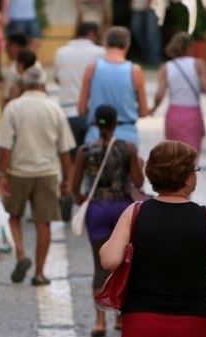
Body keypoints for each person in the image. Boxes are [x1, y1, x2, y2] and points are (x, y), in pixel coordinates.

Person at [100, 140, 206, 337]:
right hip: (193, 322)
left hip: (142, 320)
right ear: (187, 178)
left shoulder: (135, 212)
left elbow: (109, 260)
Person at [0, 66, 75, 286]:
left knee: (13, 216)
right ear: (44, 85)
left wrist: (2, 173)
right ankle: (39, 273)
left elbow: (5, 146)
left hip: (18, 171)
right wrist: (67, 180)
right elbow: (65, 150)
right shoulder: (54, 109)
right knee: (44, 223)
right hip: (47, 172)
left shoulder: (13, 107)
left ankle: (21, 255)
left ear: (23, 85)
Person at [71, 105, 143, 337]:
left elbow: (74, 187)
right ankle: (121, 317)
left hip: (98, 209)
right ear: (115, 123)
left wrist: (83, 199)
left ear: (95, 122)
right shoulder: (127, 148)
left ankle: (100, 321)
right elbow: (139, 182)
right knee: (125, 263)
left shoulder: (85, 150)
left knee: (100, 265)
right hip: (123, 208)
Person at [78, 26, 149, 148]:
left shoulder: (92, 68)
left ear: (105, 44)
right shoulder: (134, 71)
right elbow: (143, 111)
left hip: (97, 133)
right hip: (127, 135)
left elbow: (81, 109)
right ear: (127, 45)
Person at [152, 32, 206, 153]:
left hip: (173, 114)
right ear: (190, 46)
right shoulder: (199, 64)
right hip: (193, 114)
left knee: (174, 154)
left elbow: (159, 94)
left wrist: (153, 109)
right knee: (192, 155)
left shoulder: (166, 67)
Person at [54, 21, 105, 158]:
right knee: (94, 161)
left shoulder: (60, 52)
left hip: (68, 112)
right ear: (92, 34)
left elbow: (57, 79)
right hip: (92, 114)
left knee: (70, 160)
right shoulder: (100, 53)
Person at [130, 0, 162, 66]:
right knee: (136, 29)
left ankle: (153, 60)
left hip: (154, 5)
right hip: (138, 5)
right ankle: (146, 56)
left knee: (152, 33)